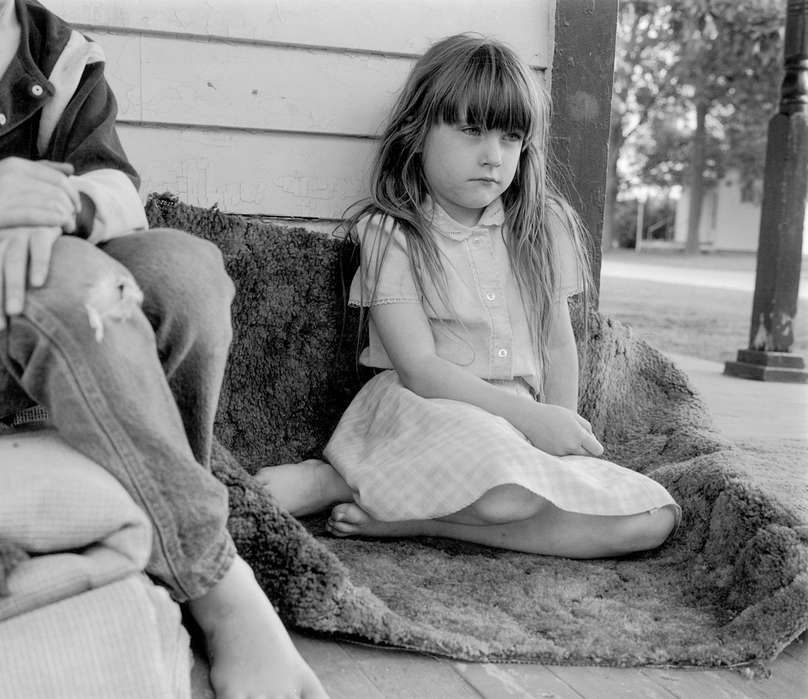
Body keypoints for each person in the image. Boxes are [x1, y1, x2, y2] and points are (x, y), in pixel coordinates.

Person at [0, 1, 326, 696]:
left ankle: (155, 510)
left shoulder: (63, 56)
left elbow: (114, 188)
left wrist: (50, 210)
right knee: (65, 283)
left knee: (187, 273)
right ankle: (214, 578)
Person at [257, 34, 680, 558]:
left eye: (509, 137)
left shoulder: (543, 227)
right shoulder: (393, 235)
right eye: (472, 131)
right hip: (429, 412)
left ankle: (416, 520)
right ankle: (347, 479)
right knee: (508, 494)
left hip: (518, 428)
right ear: (417, 133)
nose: (492, 156)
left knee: (651, 518)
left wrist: (560, 436)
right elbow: (419, 369)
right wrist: (528, 422)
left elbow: (557, 349)